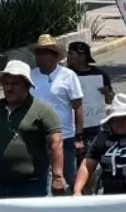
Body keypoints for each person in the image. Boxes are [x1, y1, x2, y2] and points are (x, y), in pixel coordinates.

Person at [0, 60, 65, 198]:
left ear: (27, 85)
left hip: (31, 186)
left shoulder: (41, 110)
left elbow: (57, 143)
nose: (9, 88)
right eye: (6, 83)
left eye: (15, 84)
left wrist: (57, 177)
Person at [29, 34, 85, 189]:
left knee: (70, 176)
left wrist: (79, 136)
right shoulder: (30, 76)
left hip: (64, 136)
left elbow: (78, 106)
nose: (39, 57)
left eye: (44, 53)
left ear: (54, 56)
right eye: (38, 53)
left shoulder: (68, 76)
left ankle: (77, 197)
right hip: (38, 137)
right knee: (42, 176)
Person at [73, 94, 126, 196]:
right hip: (112, 200)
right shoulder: (103, 137)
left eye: (125, 118)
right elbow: (87, 165)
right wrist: (77, 190)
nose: (120, 122)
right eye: (115, 119)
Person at [67, 41, 114, 148]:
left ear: (82, 56)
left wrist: (107, 93)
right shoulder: (65, 75)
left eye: (71, 53)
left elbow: (110, 101)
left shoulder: (100, 74)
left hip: (94, 126)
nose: (68, 57)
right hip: (70, 126)